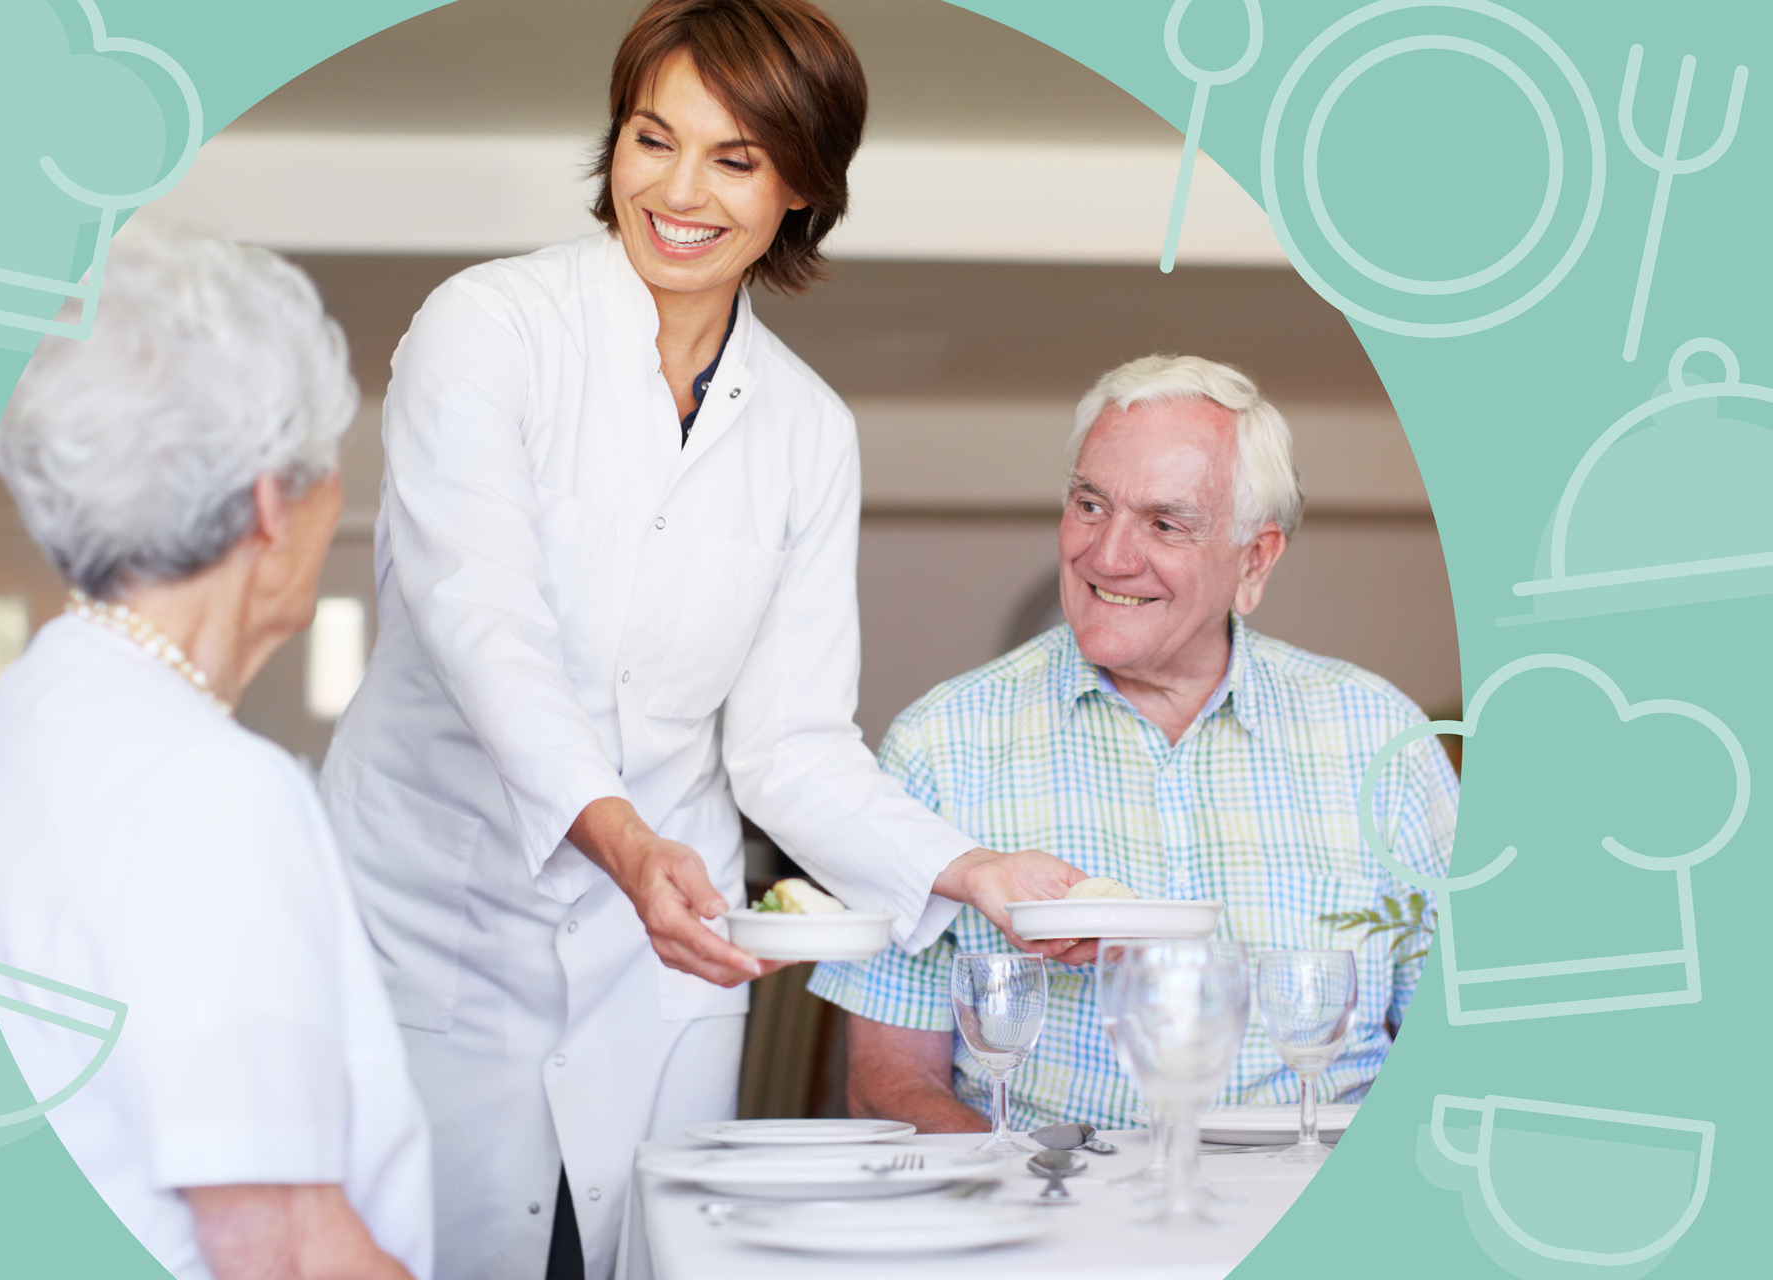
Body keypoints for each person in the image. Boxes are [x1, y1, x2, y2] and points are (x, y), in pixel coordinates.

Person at [320, 2, 1087, 1276]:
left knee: (634, 1251)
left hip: (659, 964)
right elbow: (482, 625)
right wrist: (624, 839)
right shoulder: (488, 328)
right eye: (651, 139)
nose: (677, 193)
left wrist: (970, 870)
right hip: (433, 928)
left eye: (735, 159)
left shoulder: (808, 430)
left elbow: (792, 746)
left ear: (802, 187)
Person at [0, 224, 433, 1280]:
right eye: (326, 472)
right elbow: (284, 1251)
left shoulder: (32, 703)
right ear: (269, 504)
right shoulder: (209, 790)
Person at [810, 354, 1459, 1134]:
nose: (1108, 556)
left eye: (1164, 523)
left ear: (1254, 561)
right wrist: (1038, 1193)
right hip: (1047, 1196)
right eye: (1090, 505)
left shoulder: (1383, 742)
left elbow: (1463, 1050)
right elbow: (889, 1083)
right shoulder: (941, 742)